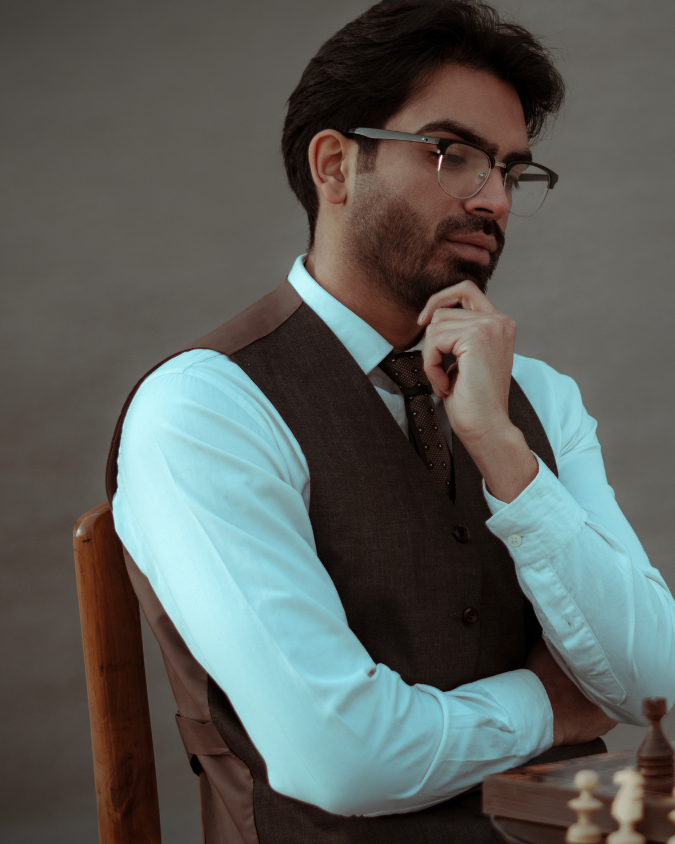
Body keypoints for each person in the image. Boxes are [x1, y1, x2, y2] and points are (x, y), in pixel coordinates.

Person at [107, 1, 675, 842]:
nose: (494, 200)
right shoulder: (205, 408)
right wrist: (549, 703)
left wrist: (501, 451)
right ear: (335, 165)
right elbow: (342, 760)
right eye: (454, 156)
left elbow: (654, 684)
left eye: (510, 172)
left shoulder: (538, 397)